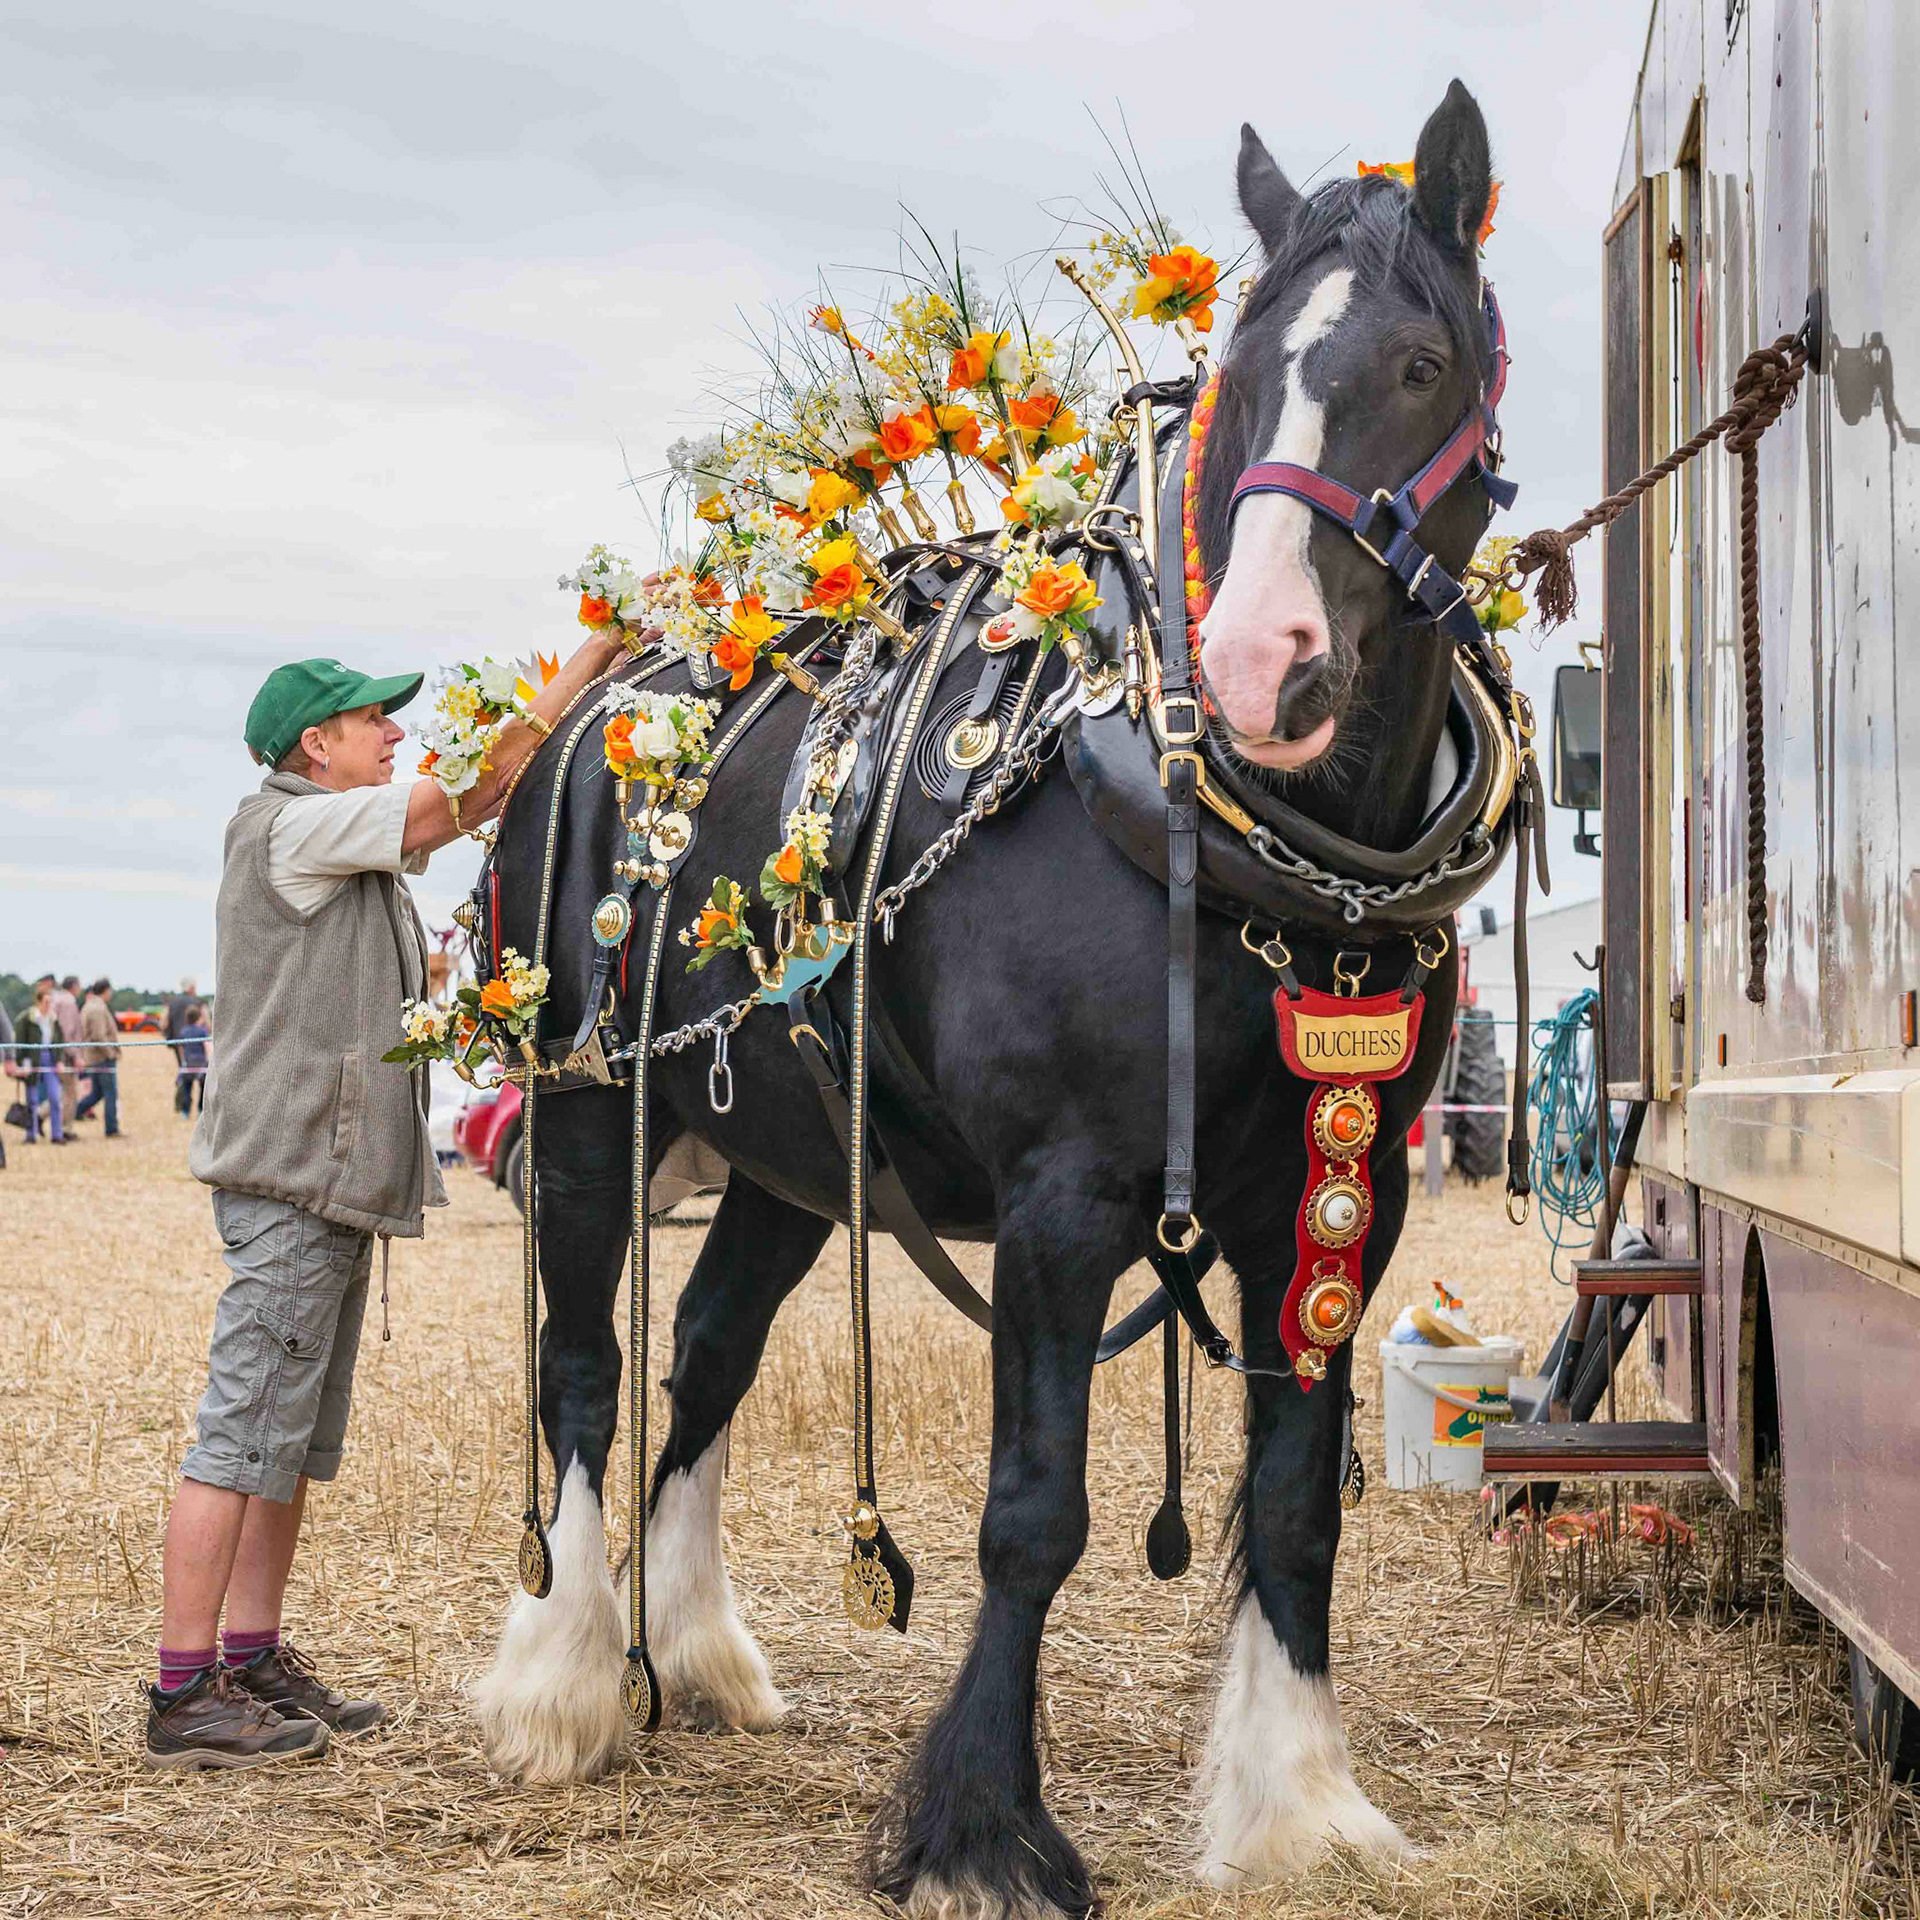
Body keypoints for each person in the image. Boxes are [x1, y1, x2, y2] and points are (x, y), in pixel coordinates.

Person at [148, 633, 628, 1770]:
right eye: (375, 722)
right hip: (295, 1180)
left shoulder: (328, 847)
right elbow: (461, 799)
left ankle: (251, 1658)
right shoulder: (294, 822)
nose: (396, 735)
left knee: (286, 1443)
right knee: (238, 1437)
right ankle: (181, 1695)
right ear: (318, 745)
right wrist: (584, 667)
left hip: (325, 1185)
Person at [19, 981, 68, 1145]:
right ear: (39, 1001)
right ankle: (30, 1134)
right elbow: (20, 1043)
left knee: (55, 1097)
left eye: (51, 1002)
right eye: (47, 1002)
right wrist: (23, 1064)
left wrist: (60, 1061)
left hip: (50, 1060)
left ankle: (57, 1134)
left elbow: (59, 1043)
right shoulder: (28, 1019)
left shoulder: (54, 1020)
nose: (49, 1005)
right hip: (33, 1060)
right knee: (32, 1099)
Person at [75, 980, 123, 1137]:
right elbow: (99, 1036)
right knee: (110, 1094)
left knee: (96, 1093)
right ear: (106, 990)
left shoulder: (91, 1005)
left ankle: (75, 1112)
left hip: (94, 1057)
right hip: (101, 1058)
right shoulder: (97, 1008)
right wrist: (110, 1053)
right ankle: (112, 1129)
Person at [45, 974, 82, 1130]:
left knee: (61, 1092)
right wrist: (75, 1055)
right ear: (73, 986)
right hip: (66, 1055)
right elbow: (67, 1031)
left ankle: (39, 1116)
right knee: (70, 1093)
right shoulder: (67, 1003)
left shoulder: (57, 999)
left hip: (58, 1052)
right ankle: (65, 1128)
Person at [174, 1003, 211, 1115]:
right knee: (202, 1088)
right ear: (198, 1017)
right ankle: (200, 1110)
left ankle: (185, 1112)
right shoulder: (202, 1031)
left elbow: (180, 1047)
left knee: (187, 1088)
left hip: (188, 1063)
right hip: (201, 1064)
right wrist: (208, 1059)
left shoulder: (183, 1031)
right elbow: (206, 1046)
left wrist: (183, 1060)